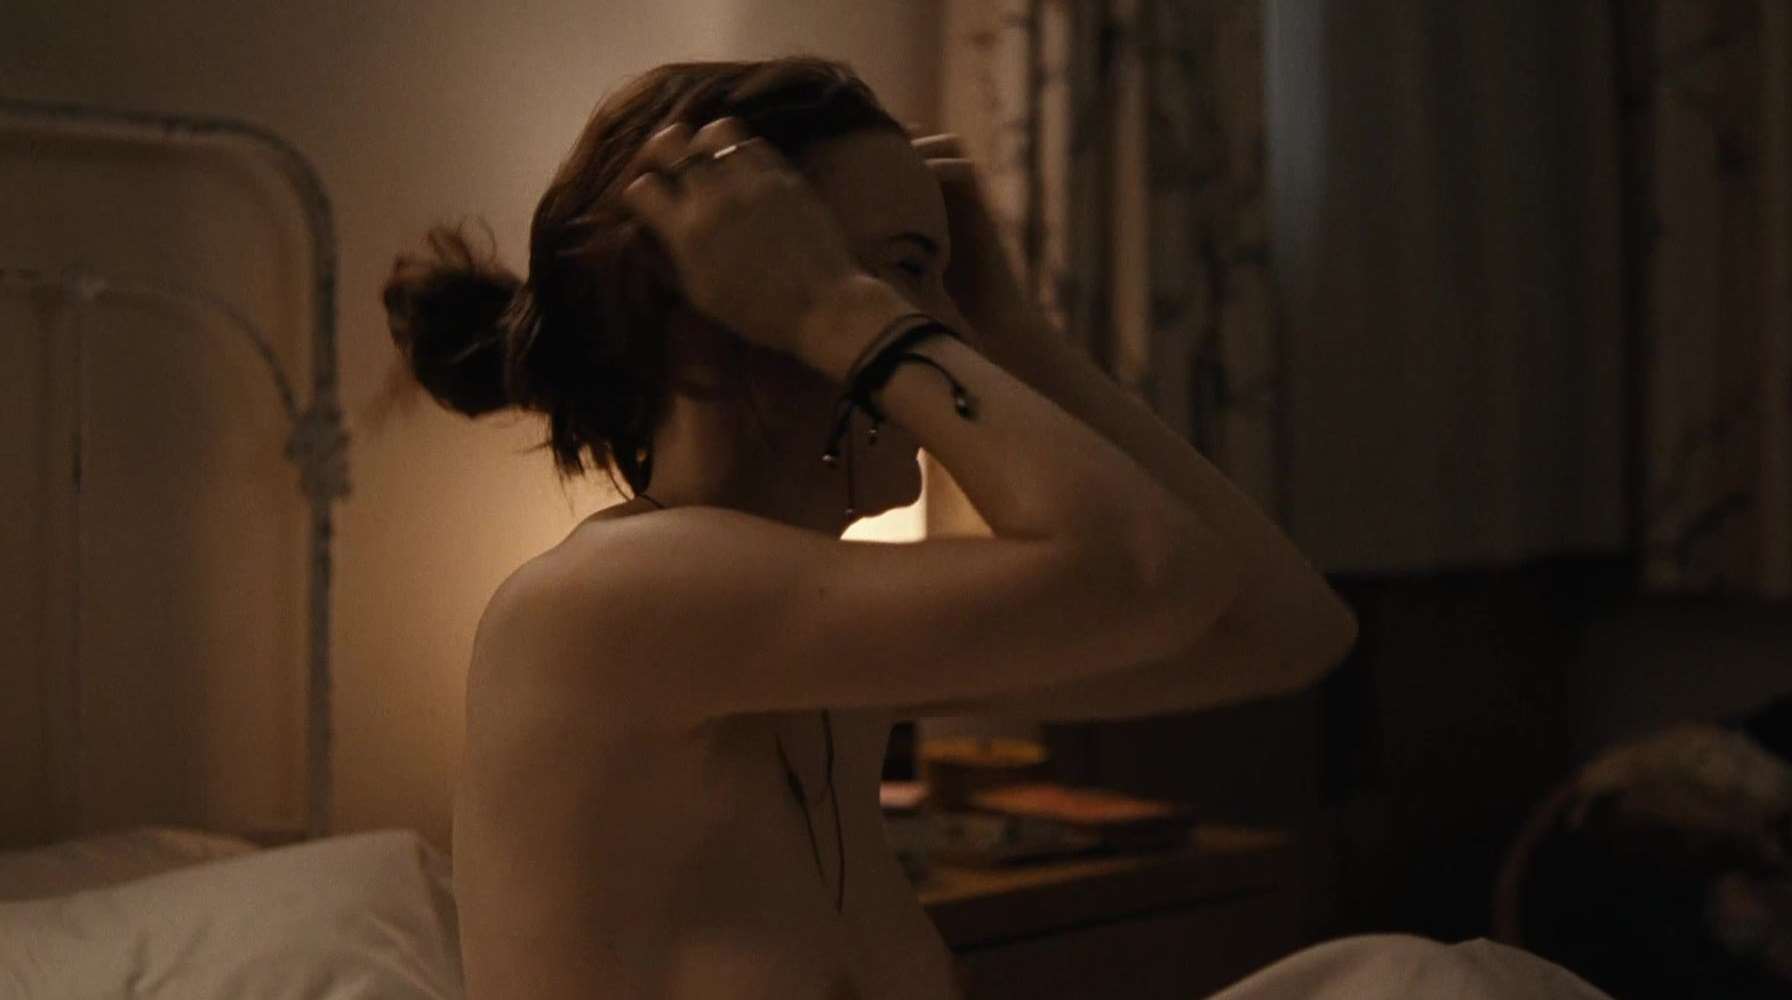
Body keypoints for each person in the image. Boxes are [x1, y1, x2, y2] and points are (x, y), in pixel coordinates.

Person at [383, 56, 1361, 1000]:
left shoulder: (813, 647)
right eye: (897, 277)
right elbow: (1148, 570)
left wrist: (1009, 326)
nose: (944, 338)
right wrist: (841, 310)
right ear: (706, 320)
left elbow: (1281, 630)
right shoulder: (607, 598)